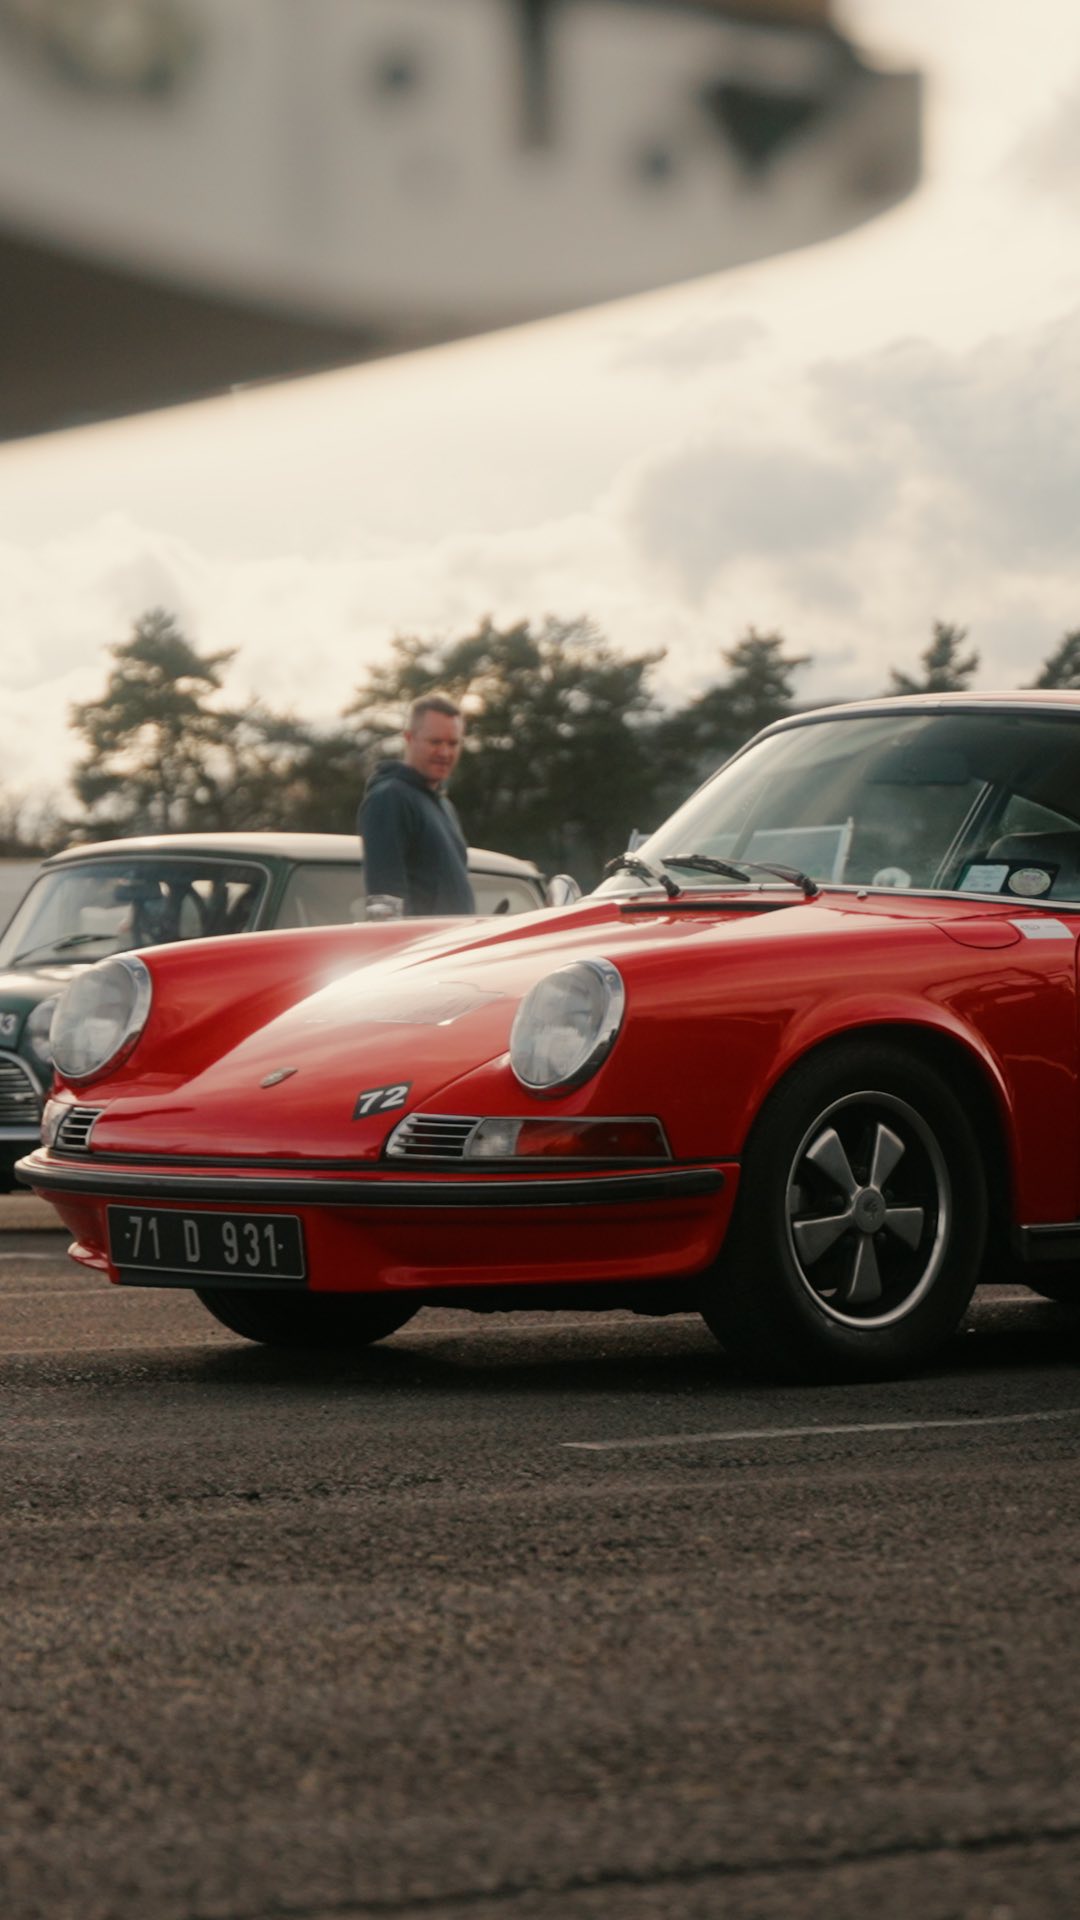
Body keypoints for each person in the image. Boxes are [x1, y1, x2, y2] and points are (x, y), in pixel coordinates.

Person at [358, 693, 476, 917]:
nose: (445, 752)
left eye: (453, 743)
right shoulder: (389, 798)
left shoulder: (444, 805)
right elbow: (385, 901)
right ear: (409, 738)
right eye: (435, 742)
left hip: (455, 946)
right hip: (424, 949)